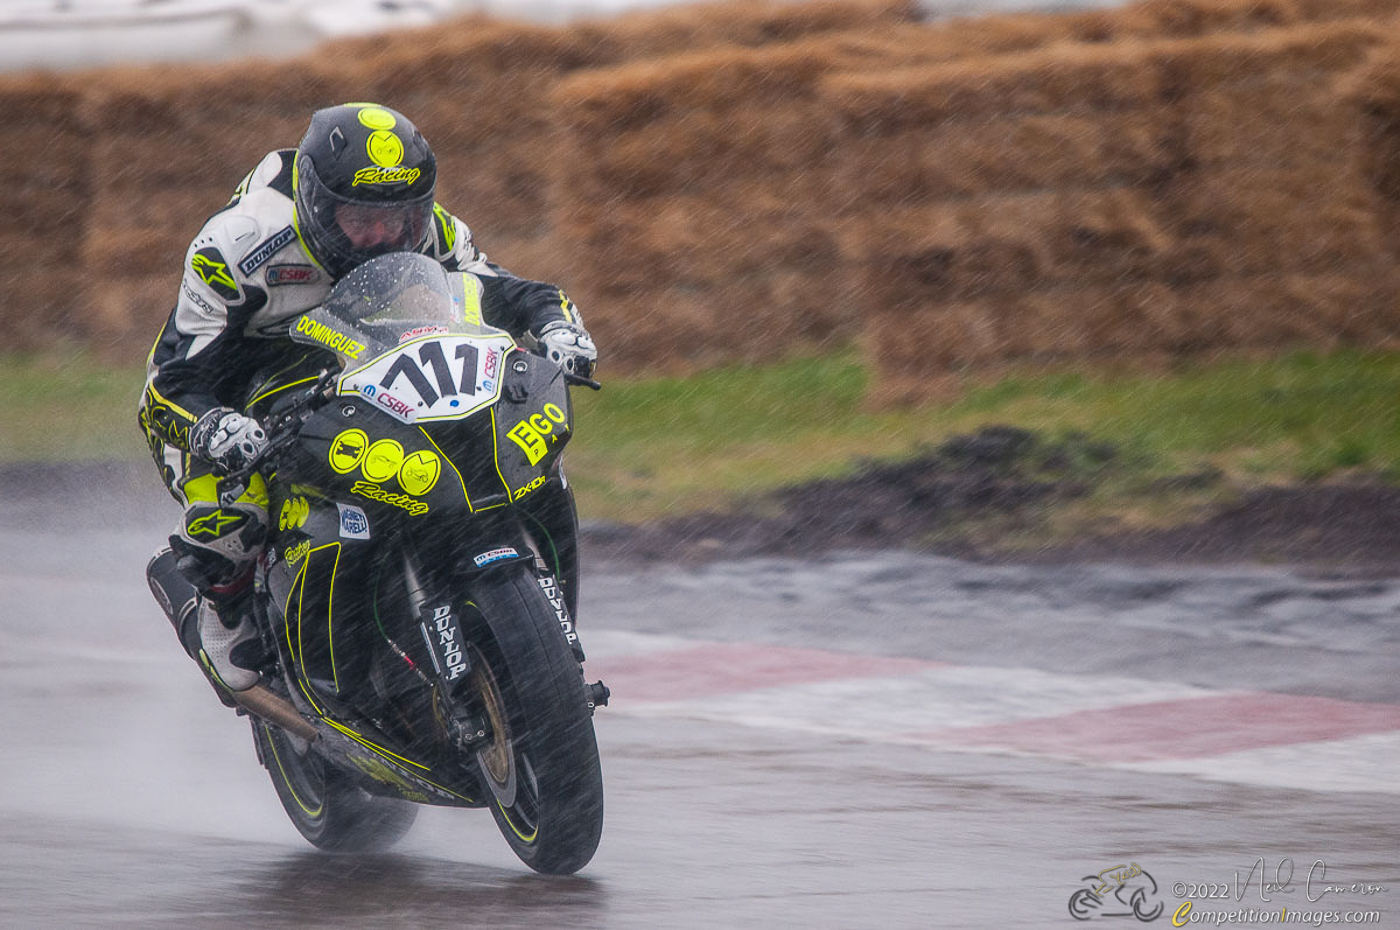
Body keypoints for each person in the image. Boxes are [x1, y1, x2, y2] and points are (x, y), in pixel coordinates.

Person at [138, 102, 597, 701]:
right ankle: (223, 609)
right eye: (363, 219)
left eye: (403, 217)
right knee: (230, 521)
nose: (386, 236)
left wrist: (560, 329)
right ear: (318, 206)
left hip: (355, 363)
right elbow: (168, 386)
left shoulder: (433, 230)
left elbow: (509, 292)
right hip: (230, 390)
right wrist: (216, 426)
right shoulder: (237, 248)